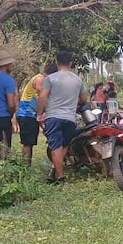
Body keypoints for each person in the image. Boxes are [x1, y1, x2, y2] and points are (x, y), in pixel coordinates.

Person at [37, 51, 87, 185]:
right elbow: (84, 99)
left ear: (56, 62)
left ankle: (60, 178)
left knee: (56, 148)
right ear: (70, 63)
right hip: (70, 119)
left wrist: (39, 114)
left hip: (53, 117)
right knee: (64, 146)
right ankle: (54, 170)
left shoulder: (50, 79)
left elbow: (42, 97)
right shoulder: (77, 80)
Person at [15, 62, 57, 166]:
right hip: (27, 114)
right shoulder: (40, 79)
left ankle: (27, 166)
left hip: (31, 114)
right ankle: (25, 168)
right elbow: (41, 97)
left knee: (30, 142)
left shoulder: (43, 79)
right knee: (28, 143)